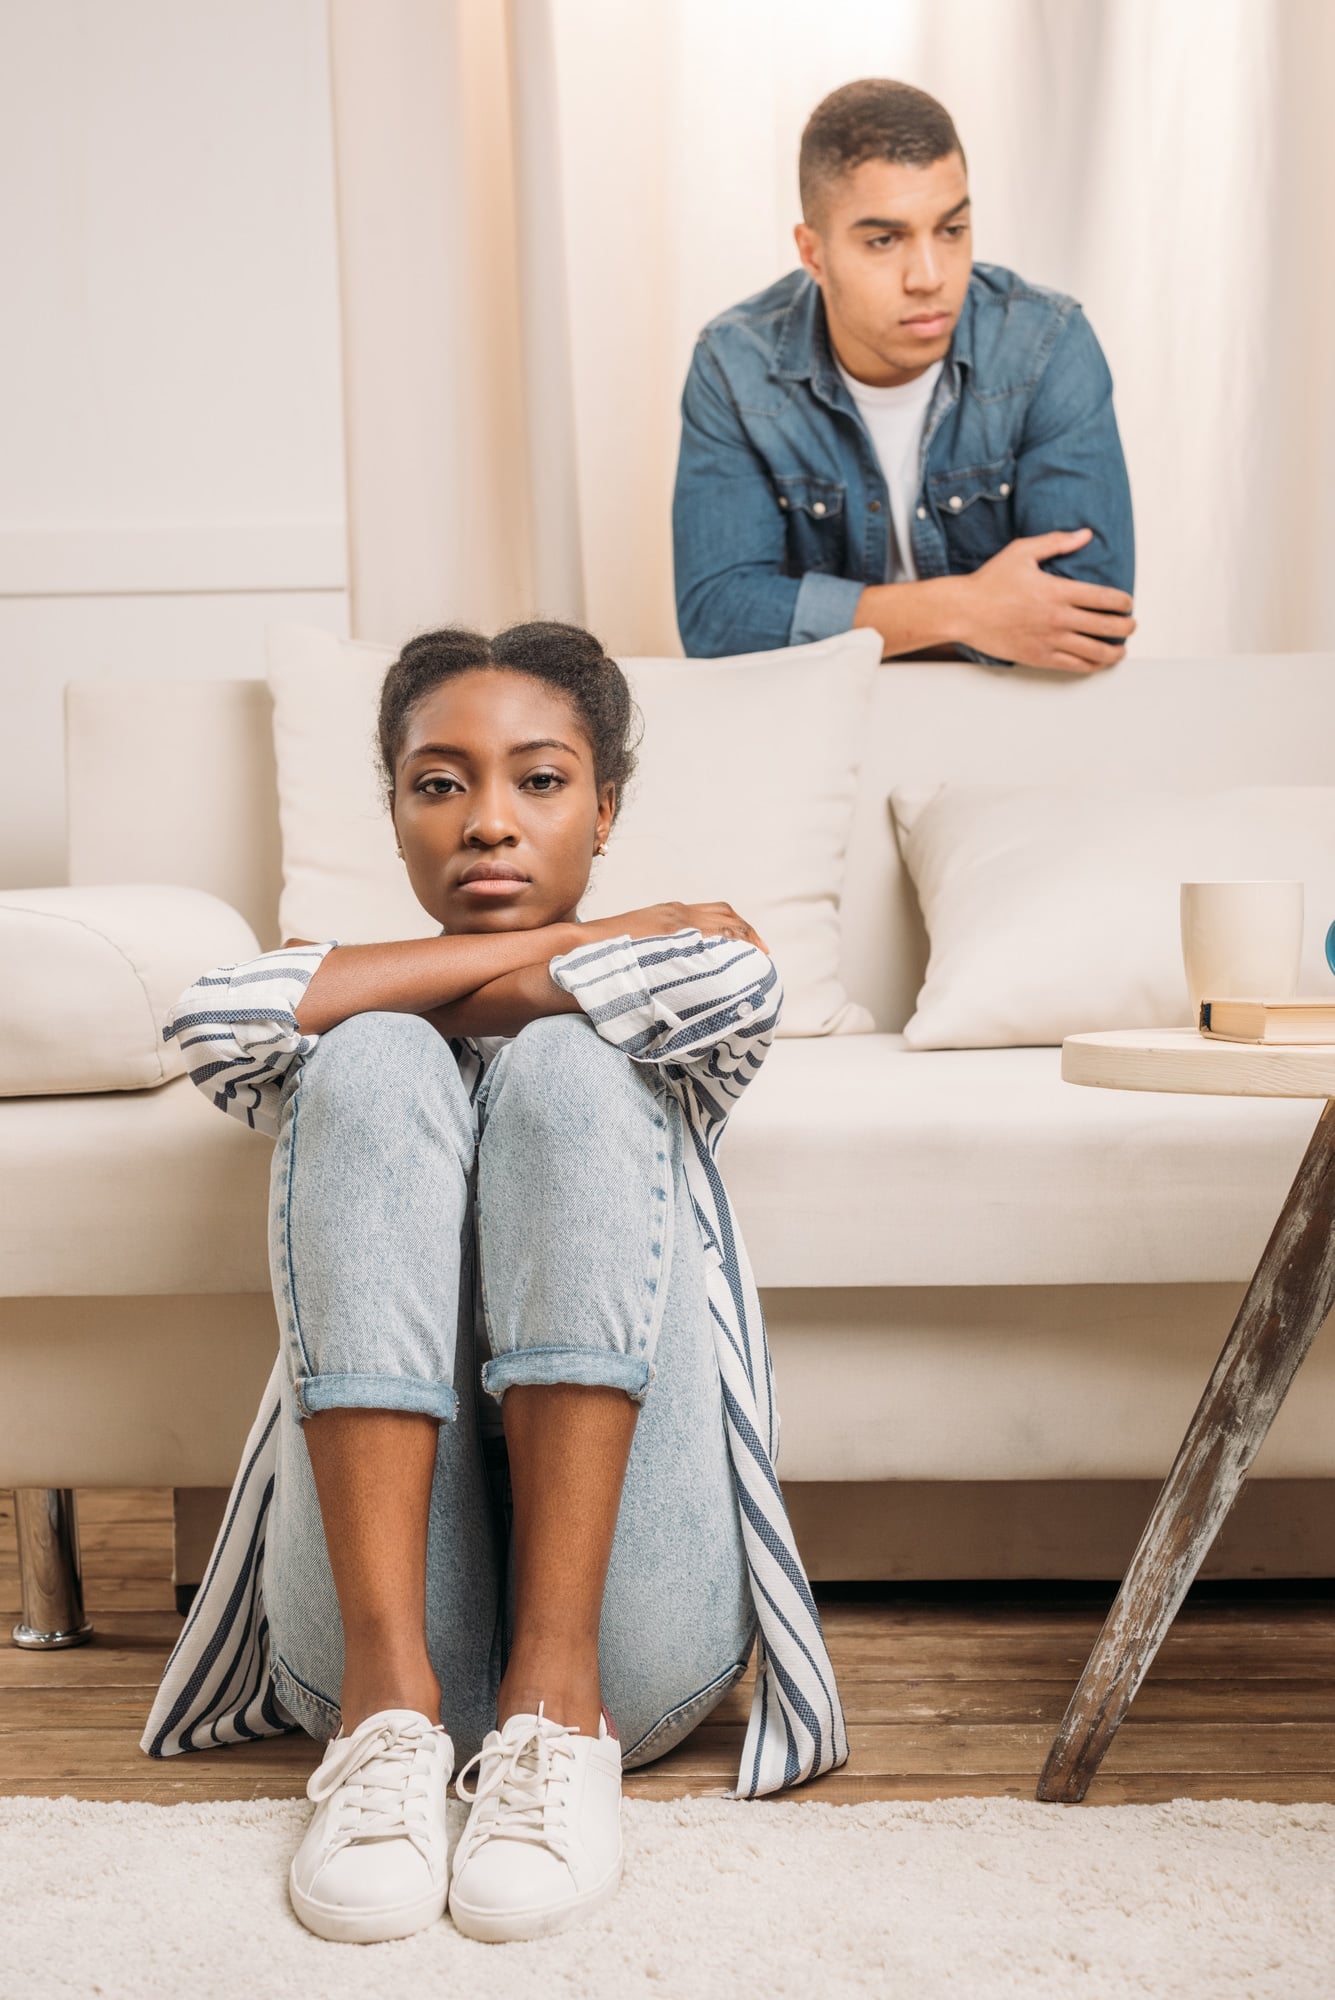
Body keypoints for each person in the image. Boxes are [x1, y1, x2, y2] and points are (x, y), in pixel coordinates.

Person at [141, 622, 847, 1946]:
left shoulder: (699, 960)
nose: (485, 824)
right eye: (438, 784)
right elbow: (208, 1017)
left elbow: (714, 971)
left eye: (538, 781)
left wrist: (357, 991)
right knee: (375, 1067)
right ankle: (385, 1718)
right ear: (397, 814)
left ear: (604, 807)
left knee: (570, 1066)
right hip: (355, 1636)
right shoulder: (637, 935)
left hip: (632, 1643)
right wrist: (608, 930)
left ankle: (552, 1708)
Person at [673, 78, 1136, 673]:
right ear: (813, 252)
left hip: (1013, 725)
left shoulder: (1045, 344)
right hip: (821, 732)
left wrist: (829, 630)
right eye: (884, 239)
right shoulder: (734, 365)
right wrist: (965, 610)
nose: (929, 276)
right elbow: (717, 621)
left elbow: (1090, 617)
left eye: (951, 231)